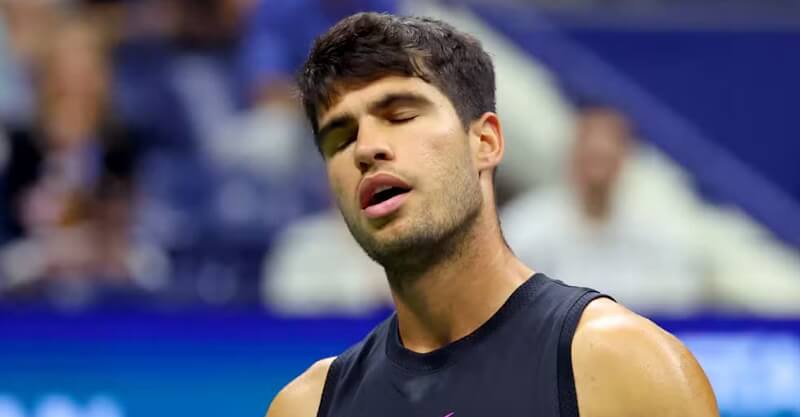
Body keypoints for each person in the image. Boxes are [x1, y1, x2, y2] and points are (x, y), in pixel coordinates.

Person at [265, 12, 718, 417]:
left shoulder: (625, 368)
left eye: (400, 115)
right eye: (339, 139)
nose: (365, 149)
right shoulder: (306, 406)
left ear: (485, 142)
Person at [502, 105, 708, 314]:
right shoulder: (525, 228)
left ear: (624, 159)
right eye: (591, 158)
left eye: (605, 158)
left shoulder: (664, 231)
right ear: (572, 156)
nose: (597, 173)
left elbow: (680, 307)